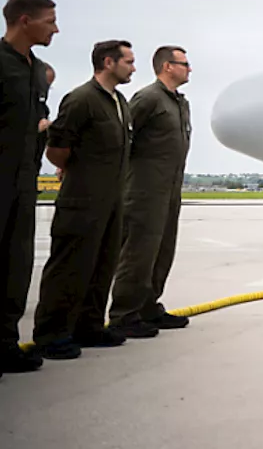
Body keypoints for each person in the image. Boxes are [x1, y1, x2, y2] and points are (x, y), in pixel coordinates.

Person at [34, 39, 156, 360]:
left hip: (112, 200)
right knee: (70, 266)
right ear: (107, 62)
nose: (133, 67)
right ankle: (52, 333)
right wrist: (78, 173)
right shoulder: (82, 99)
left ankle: (88, 325)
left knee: (103, 265)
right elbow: (57, 149)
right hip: (83, 199)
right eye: (128, 61)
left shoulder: (119, 102)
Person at [109, 46, 193, 336]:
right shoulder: (148, 98)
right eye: (184, 64)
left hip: (169, 190)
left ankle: (148, 306)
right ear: (168, 67)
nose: (189, 69)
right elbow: (124, 136)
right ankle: (124, 314)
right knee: (138, 253)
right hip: (145, 191)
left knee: (162, 251)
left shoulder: (179, 103)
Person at [0, 0, 58, 376]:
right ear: (25, 20)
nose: (55, 27)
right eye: (49, 20)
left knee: (16, 265)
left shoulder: (38, 70)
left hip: (24, 184)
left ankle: (4, 344)